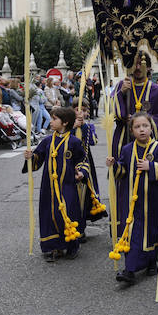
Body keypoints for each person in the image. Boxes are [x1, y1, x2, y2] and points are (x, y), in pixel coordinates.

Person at [106, 112, 158, 286]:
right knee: (135, 233)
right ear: (131, 130)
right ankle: (130, 270)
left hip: (154, 200)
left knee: (152, 231)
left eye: (145, 126)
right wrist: (114, 166)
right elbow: (123, 172)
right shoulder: (128, 150)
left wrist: (150, 166)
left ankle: (152, 262)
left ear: (151, 128)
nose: (142, 130)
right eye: (137, 127)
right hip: (133, 202)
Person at [23, 107, 89, 261]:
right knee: (49, 213)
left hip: (68, 185)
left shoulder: (74, 142)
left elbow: (82, 160)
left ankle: (71, 245)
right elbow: (37, 159)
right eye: (51, 118)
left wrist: (81, 172)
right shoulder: (47, 141)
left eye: (54, 119)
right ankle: (53, 247)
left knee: (69, 212)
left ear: (65, 122)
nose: (51, 121)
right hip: (49, 187)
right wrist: (30, 157)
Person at [111, 51, 158, 158]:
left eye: (141, 64)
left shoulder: (157, 90)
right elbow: (111, 110)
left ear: (148, 67)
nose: (137, 67)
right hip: (123, 137)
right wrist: (121, 93)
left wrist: (143, 124)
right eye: (134, 64)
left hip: (146, 141)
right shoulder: (122, 85)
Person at [73, 104, 107, 233]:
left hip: (85, 161)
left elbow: (93, 141)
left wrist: (84, 127)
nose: (80, 113)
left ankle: (82, 225)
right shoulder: (67, 125)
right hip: (71, 162)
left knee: (86, 192)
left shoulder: (89, 126)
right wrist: (73, 127)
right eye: (77, 110)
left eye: (84, 110)